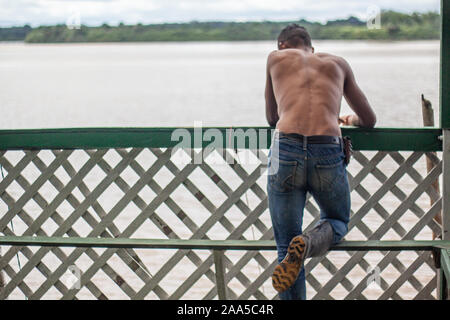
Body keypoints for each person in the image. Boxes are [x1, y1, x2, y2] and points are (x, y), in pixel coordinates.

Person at [265, 24, 376, 300]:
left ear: (282, 45)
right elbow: (370, 120)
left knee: (284, 247)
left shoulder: (275, 59)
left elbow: (271, 118)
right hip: (327, 148)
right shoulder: (338, 63)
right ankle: (309, 242)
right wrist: (348, 120)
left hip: (286, 149)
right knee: (337, 220)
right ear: (311, 48)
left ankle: (296, 245)